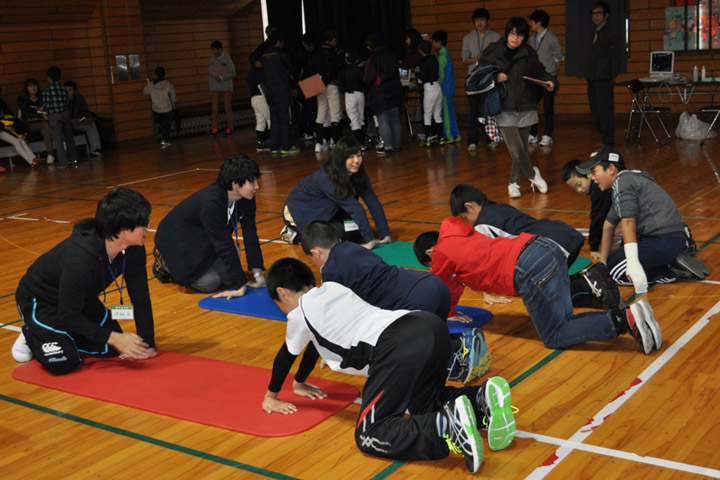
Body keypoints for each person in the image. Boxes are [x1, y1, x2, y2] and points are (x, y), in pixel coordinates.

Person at [262, 257, 517, 474]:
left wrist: (271, 396)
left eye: (278, 303)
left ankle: (447, 426)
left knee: (369, 434)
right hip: (428, 325)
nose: (282, 309)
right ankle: (480, 401)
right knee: (422, 404)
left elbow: (287, 356)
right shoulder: (333, 288)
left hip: (397, 344)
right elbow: (314, 343)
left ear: (282, 292)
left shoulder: (299, 314)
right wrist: (299, 382)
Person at [413, 218, 663, 355]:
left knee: (555, 335)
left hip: (527, 267)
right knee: (564, 320)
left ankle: (623, 319)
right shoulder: (458, 232)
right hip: (546, 247)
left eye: (429, 263)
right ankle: (631, 317)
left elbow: (443, 288)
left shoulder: (441, 254)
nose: (433, 266)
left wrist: (448, 313)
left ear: (429, 251)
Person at [301, 220, 489, 384]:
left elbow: (331, 317)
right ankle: (463, 348)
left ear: (315, 252)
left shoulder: (331, 272)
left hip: (416, 301)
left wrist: (327, 351)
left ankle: (455, 358)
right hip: (433, 286)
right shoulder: (354, 247)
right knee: (435, 338)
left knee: (409, 349)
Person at [11, 187, 157, 374]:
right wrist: (112, 337)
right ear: (121, 229)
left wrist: (147, 341)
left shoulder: (134, 248)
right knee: (64, 361)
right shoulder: (80, 260)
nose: (148, 227)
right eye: (143, 223)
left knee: (113, 348)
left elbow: (140, 296)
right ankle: (32, 334)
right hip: (41, 301)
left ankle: (58, 333)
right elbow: (68, 315)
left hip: (80, 300)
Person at [449, 183, 618, 310]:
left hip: (551, 247)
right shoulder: (498, 207)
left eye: (465, 217)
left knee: (542, 297)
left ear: (470, 206)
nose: (467, 222)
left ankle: (589, 285)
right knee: (549, 284)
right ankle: (592, 280)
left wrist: (486, 290)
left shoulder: (482, 225)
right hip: (565, 236)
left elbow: (486, 263)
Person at [576, 147, 707, 292]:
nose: (592, 177)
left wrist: (633, 264)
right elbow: (608, 226)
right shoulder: (628, 181)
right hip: (669, 237)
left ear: (611, 169)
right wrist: (603, 263)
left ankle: (673, 270)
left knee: (613, 274)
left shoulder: (622, 182)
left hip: (663, 240)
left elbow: (628, 221)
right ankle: (676, 252)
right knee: (610, 264)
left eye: (594, 172)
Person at [153, 154, 265, 295]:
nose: (257, 186)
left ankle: (203, 265)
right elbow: (224, 243)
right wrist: (240, 286)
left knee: (229, 277)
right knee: (210, 283)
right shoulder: (211, 203)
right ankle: (165, 263)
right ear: (235, 185)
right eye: (252, 182)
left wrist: (258, 274)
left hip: (202, 240)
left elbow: (250, 234)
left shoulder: (247, 198)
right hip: (176, 242)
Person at [479, 18, 554, 198]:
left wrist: (550, 81)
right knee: (515, 148)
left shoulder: (528, 52)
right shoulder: (493, 50)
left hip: (527, 106)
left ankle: (513, 183)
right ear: (507, 33)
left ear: (524, 37)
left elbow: (540, 71)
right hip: (504, 106)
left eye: (520, 35)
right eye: (513, 33)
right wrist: (495, 76)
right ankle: (533, 175)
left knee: (519, 148)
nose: (515, 38)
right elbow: (481, 72)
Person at [281, 137, 391, 247]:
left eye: (358, 155)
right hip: (300, 211)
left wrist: (384, 234)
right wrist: (369, 241)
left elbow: (373, 201)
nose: (356, 161)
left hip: (329, 211)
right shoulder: (327, 178)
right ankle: (295, 233)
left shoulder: (359, 172)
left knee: (355, 229)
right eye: (351, 157)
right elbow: (354, 207)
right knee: (333, 240)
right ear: (341, 159)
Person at [462, 8, 501, 152]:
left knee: (489, 110)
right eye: (477, 20)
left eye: (482, 20)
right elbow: (464, 59)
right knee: (472, 111)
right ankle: (472, 141)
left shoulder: (496, 37)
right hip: (473, 81)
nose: (479, 23)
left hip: (489, 79)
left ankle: (491, 138)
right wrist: (477, 59)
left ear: (488, 21)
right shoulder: (467, 38)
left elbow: (500, 57)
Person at [585, 1, 621, 147]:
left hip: (604, 78)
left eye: (599, 13)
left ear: (606, 15)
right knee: (595, 111)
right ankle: (604, 138)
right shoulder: (596, 32)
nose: (595, 16)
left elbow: (615, 57)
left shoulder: (610, 33)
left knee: (604, 111)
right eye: (593, 13)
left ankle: (608, 141)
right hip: (593, 78)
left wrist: (610, 75)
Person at [562, 158, 613, 260]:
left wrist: (593, 247)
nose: (579, 190)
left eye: (579, 184)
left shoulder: (599, 190)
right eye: (574, 188)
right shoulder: (597, 187)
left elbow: (597, 219)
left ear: (589, 174)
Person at [527, 9, 563, 147]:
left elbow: (558, 58)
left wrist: (553, 75)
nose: (530, 24)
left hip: (548, 77)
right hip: (535, 78)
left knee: (548, 108)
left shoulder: (552, 38)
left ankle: (548, 135)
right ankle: (533, 134)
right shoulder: (532, 38)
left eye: (532, 21)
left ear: (539, 23)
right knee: (532, 107)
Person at [364, 32, 403, 155]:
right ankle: (397, 145)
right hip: (395, 91)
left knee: (383, 120)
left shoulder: (374, 58)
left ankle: (387, 146)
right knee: (395, 119)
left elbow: (368, 78)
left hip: (380, 93)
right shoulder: (392, 55)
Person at [261, 30, 300, 155]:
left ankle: (275, 146)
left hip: (270, 92)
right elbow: (291, 70)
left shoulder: (264, 56)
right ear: (279, 42)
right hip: (282, 91)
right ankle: (286, 146)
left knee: (274, 118)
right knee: (285, 118)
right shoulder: (282, 55)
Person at [309, 30, 342, 152]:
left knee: (321, 114)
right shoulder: (333, 53)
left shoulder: (316, 53)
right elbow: (334, 69)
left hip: (318, 83)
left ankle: (319, 143)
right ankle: (336, 142)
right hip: (331, 85)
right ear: (331, 40)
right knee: (335, 114)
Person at [43, 66, 77, 169]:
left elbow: (47, 106)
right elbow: (67, 102)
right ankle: (73, 159)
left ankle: (63, 162)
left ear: (49, 78)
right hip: (65, 113)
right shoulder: (63, 89)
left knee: (58, 139)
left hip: (55, 115)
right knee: (69, 137)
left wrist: (45, 113)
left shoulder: (47, 90)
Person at [431, 30, 460, 144]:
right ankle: (456, 134)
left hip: (444, 89)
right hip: (449, 88)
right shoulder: (447, 54)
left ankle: (449, 136)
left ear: (439, 42)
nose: (433, 45)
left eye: (433, 43)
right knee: (451, 113)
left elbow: (441, 75)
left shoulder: (442, 57)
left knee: (446, 114)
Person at [17, 78, 54, 163]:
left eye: (35, 86)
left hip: (43, 123)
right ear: (27, 88)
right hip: (29, 125)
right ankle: (60, 141)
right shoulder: (22, 99)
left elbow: (48, 111)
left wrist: (44, 112)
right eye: (30, 86)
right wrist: (40, 114)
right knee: (45, 124)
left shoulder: (42, 98)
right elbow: (26, 115)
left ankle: (50, 155)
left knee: (45, 131)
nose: (33, 88)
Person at [0, 96, 41, 167]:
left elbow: (8, 115)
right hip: (1, 129)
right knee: (16, 142)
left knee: (21, 140)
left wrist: (12, 125)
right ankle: (31, 162)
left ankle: (34, 158)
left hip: (5, 125)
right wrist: (4, 127)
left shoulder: (1, 100)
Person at [416, 40, 443, 148]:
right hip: (437, 86)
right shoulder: (434, 59)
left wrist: (417, 73)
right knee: (437, 114)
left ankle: (427, 139)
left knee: (427, 114)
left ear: (420, 50)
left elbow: (421, 78)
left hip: (429, 88)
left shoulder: (422, 62)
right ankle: (440, 138)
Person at [64, 80, 103, 156]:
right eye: (66, 91)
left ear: (75, 91)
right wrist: (70, 120)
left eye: (70, 90)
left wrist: (80, 119)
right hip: (67, 124)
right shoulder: (61, 101)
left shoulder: (80, 98)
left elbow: (85, 111)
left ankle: (95, 148)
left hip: (79, 122)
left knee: (91, 125)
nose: (67, 93)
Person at [337, 49, 366, 147]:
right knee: (361, 117)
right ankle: (363, 142)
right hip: (361, 94)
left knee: (354, 119)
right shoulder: (361, 71)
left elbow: (340, 87)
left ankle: (359, 144)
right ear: (357, 60)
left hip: (350, 95)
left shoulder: (343, 72)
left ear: (346, 59)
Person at [143, 66, 176, 148]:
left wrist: (149, 83)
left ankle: (164, 139)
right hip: (167, 108)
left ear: (156, 74)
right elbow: (173, 97)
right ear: (164, 74)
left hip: (157, 109)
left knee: (162, 125)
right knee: (167, 126)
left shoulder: (151, 85)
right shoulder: (168, 84)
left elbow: (144, 91)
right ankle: (165, 140)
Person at [208, 40, 236, 137]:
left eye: (215, 50)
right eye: (212, 50)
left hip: (226, 87)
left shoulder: (227, 59)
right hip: (215, 87)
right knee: (214, 108)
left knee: (227, 107)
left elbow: (233, 73)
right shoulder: (212, 60)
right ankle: (215, 128)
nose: (214, 52)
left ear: (220, 49)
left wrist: (222, 77)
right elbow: (211, 74)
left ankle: (230, 127)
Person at [247, 51, 271, 152]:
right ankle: (273, 141)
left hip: (253, 98)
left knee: (260, 121)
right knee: (269, 119)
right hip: (261, 97)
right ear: (257, 62)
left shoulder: (250, 72)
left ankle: (261, 143)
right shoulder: (260, 72)